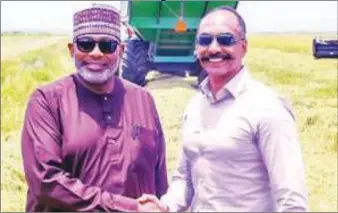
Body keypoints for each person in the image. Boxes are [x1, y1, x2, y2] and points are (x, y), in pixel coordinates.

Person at [138, 6, 309, 212]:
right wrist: (165, 205)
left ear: (243, 47)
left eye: (225, 40)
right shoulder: (195, 105)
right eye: (204, 40)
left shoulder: (267, 107)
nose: (214, 48)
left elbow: (291, 199)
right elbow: (185, 179)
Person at [21, 3, 168, 212]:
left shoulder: (143, 99)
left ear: (121, 50)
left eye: (107, 45)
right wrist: (128, 207)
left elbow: (158, 173)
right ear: (72, 50)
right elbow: (46, 181)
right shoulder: (47, 101)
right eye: (85, 44)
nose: (97, 53)